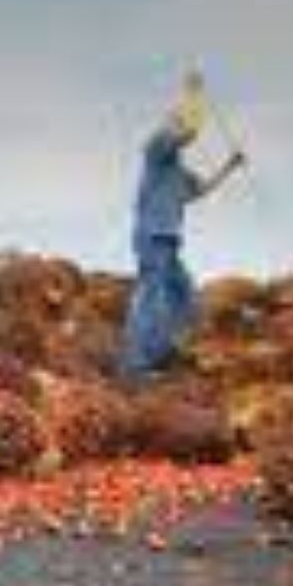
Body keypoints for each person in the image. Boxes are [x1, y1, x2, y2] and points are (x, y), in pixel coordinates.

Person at [123, 73, 246, 378]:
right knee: (152, 297)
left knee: (185, 297)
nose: (177, 130)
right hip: (151, 236)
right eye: (173, 124)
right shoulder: (156, 152)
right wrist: (194, 96)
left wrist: (229, 167)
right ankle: (136, 367)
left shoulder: (179, 173)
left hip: (170, 241)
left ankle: (166, 351)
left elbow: (201, 191)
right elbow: (189, 130)